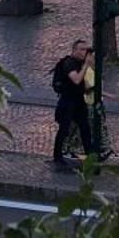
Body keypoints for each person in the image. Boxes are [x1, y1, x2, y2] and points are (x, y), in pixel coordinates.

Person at [51, 39, 95, 167]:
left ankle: (90, 155)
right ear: (74, 50)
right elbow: (76, 80)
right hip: (67, 101)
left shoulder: (80, 62)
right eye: (81, 49)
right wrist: (86, 65)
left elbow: (85, 84)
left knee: (85, 128)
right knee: (64, 129)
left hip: (79, 100)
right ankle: (57, 156)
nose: (83, 52)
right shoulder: (69, 63)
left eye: (85, 50)